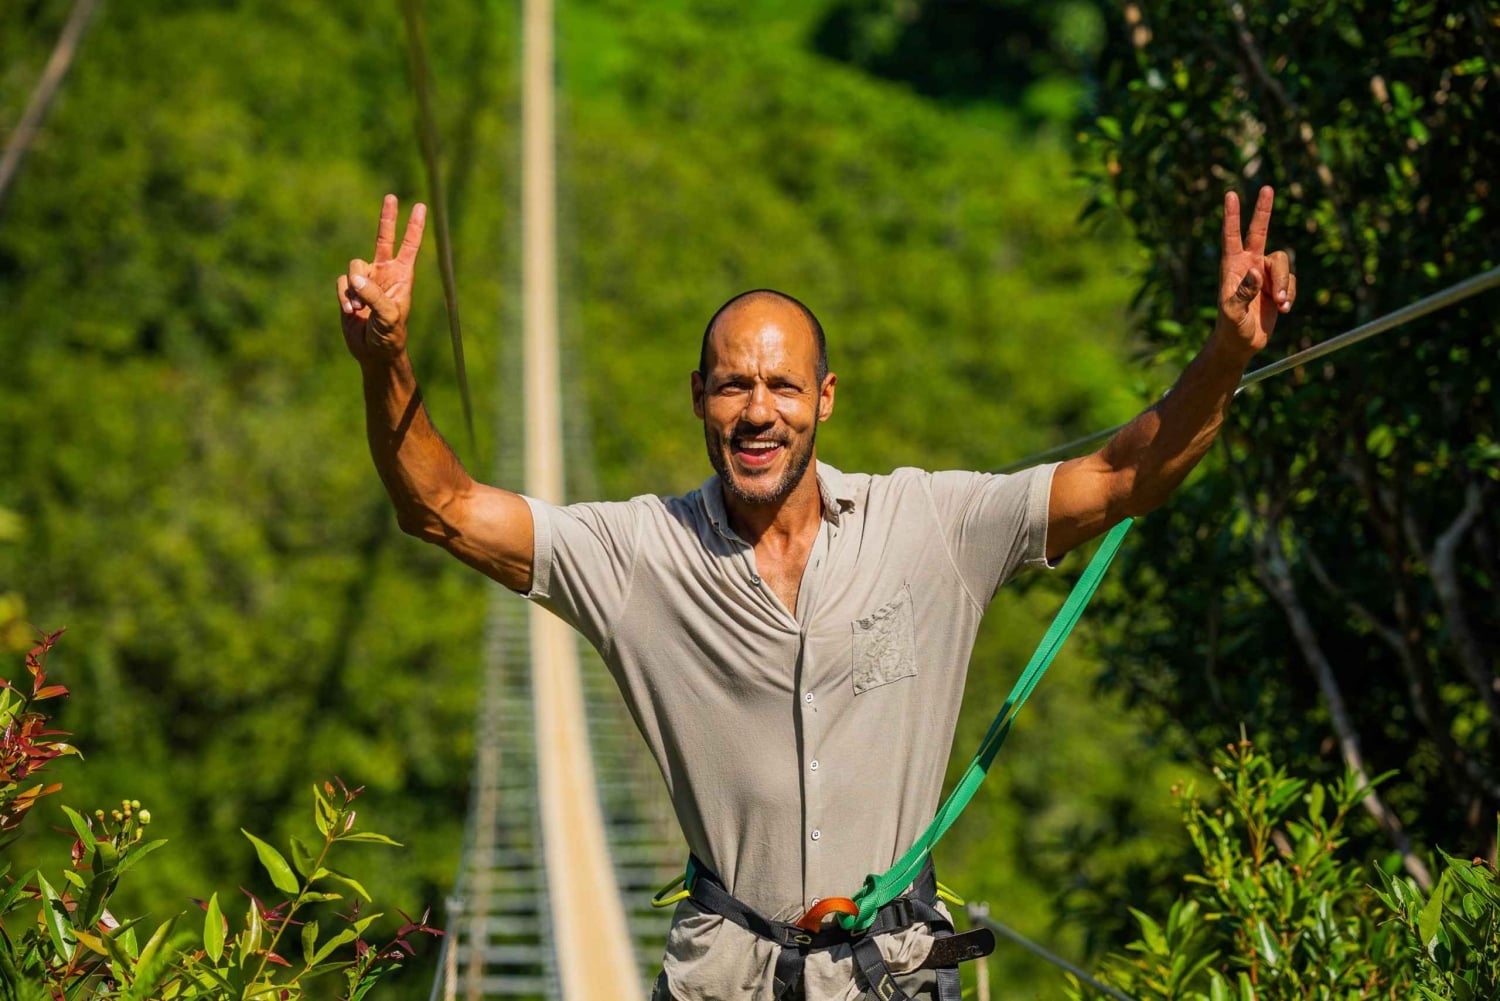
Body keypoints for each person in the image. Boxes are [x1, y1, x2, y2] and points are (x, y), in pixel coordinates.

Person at [335, 189, 1296, 1000]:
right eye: (732, 387)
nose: (759, 411)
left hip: (896, 971)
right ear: (699, 399)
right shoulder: (637, 553)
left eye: (783, 387)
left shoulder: (930, 528)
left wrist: (1227, 351)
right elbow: (443, 505)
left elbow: (1123, 476)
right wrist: (388, 358)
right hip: (727, 975)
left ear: (825, 398)